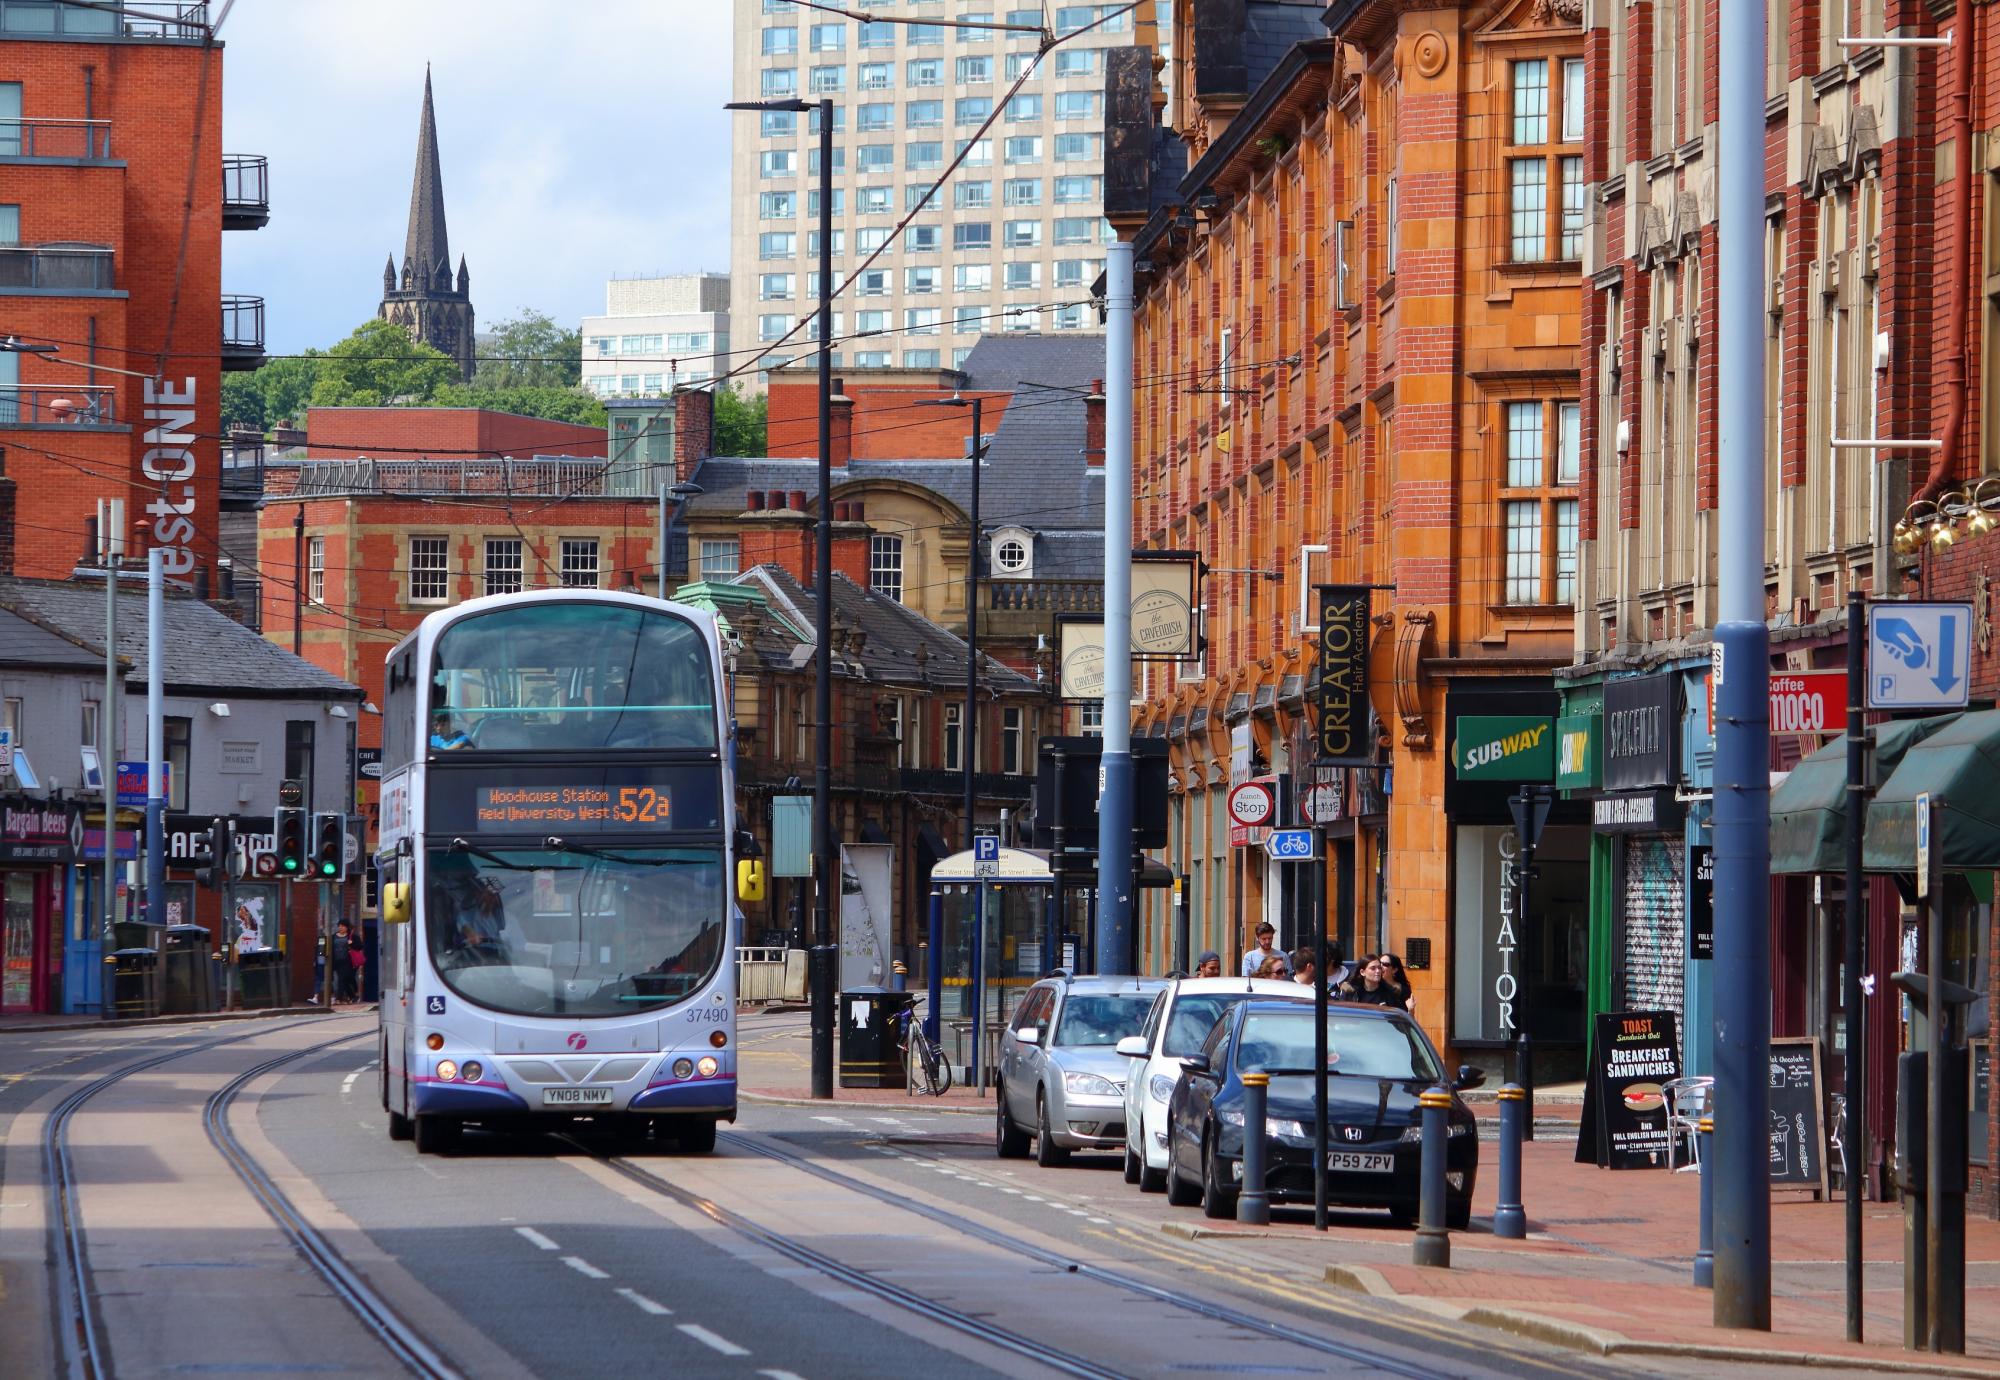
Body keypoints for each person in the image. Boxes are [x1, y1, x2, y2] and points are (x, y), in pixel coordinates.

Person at [1335, 957, 1402, 1006]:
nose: (1378, 971)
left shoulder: (1390, 993)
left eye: (1379, 968)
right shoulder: (1350, 992)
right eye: (1373, 968)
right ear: (1362, 972)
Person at [332, 920, 362, 1004]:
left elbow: (359, 946)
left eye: (343, 926)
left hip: (348, 962)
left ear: (347, 927)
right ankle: (353, 996)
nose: (340, 927)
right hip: (337, 961)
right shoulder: (334, 936)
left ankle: (338, 998)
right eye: (339, 926)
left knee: (341, 979)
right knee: (344, 980)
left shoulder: (352, 937)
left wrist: (351, 943)